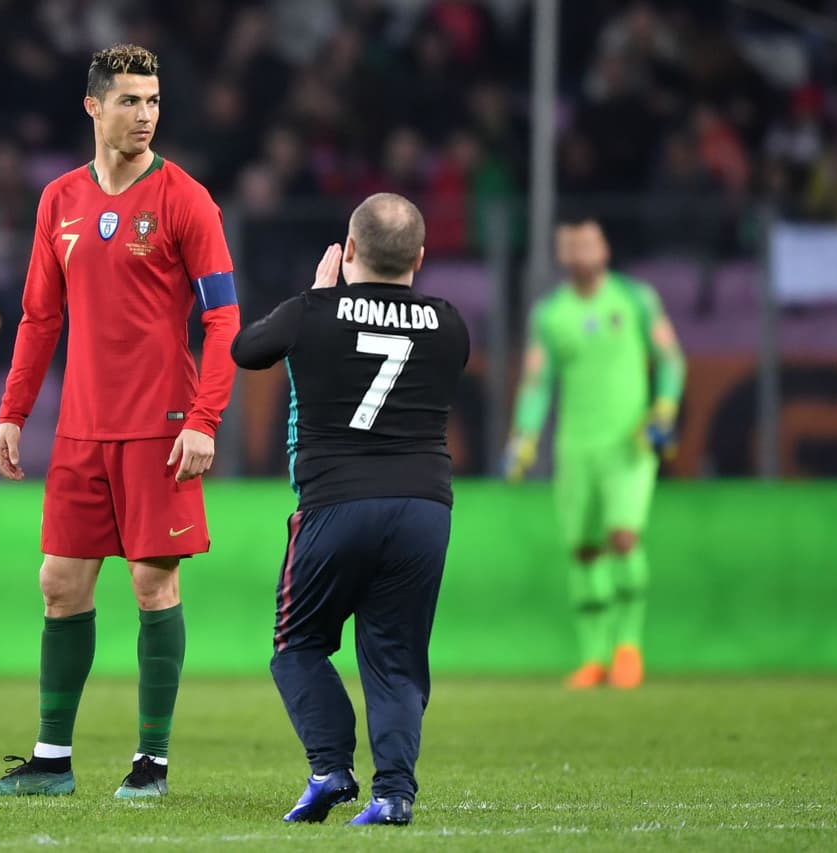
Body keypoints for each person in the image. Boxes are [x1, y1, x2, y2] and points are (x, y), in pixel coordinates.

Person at [0, 44, 240, 800]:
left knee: (153, 585)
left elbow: (224, 320)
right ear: (93, 106)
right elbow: (38, 316)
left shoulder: (187, 199)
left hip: (162, 424)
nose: (145, 115)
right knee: (59, 584)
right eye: (129, 100)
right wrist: (13, 411)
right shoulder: (59, 200)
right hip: (83, 428)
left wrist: (206, 418)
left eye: (153, 101)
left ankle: (151, 763)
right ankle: (52, 760)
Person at [231, 193, 470, 826]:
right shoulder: (450, 323)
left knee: (299, 646)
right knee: (393, 659)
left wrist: (317, 295)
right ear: (420, 256)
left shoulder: (312, 311)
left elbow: (246, 350)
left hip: (336, 502)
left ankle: (331, 769)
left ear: (351, 249)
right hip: (424, 507)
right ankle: (392, 794)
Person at [504, 219, 685, 689]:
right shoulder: (551, 314)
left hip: (630, 443)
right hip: (576, 447)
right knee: (583, 550)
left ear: (604, 248)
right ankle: (594, 656)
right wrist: (524, 437)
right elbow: (537, 382)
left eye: (588, 243)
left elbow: (670, 359)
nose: (581, 252)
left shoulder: (636, 299)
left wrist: (663, 409)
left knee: (623, 538)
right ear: (562, 257)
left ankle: (628, 647)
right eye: (571, 246)